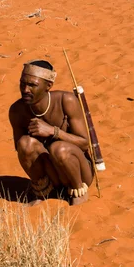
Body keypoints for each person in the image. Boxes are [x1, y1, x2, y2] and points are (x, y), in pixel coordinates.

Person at [9, 60, 93, 205]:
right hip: (51, 174)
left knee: (59, 149)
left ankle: (77, 190)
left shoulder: (66, 101)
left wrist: (53, 132)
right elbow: (21, 149)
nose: (25, 89)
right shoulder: (17, 110)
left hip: (77, 171)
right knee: (25, 144)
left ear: (48, 86)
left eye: (32, 85)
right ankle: (43, 190)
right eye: (22, 83)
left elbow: (85, 144)